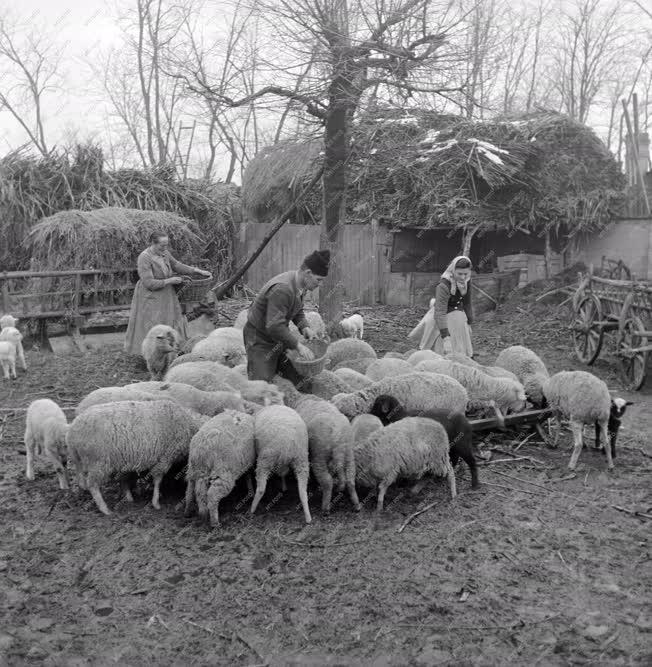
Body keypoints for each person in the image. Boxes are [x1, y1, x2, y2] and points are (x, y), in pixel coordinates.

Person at [243, 249, 330, 389]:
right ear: (308, 273)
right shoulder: (283, 289)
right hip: (260, 339)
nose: (319, 284)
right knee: (261, 387)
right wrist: (298, 346)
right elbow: (274, 326)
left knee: (298, 380)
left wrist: (304, 327)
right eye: (319, 280)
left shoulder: (300, 284)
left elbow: (297, 309)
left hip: (278, 338)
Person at [124, 232, 211, 355]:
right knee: (154, 325)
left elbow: (176, 265)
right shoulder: (144, 257)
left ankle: (170, 351)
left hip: (166, 294)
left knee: (170, 321)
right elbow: (148, 283)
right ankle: (152, 354)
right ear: (153, 243)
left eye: (166, 245)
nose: (165, 248)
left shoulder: (164, 253)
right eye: (162, 245)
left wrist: (197, 271)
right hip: (151, 297)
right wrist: (169, 280)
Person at [432, 255, 474, 356]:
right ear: (453, 270)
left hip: (458, 315)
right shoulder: (443, 285)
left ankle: (463, 356)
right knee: (442, 352)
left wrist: (469, 322)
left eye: (466, 273)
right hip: (443, 317)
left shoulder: (467, 281)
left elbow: (467, 303)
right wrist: (446, 338)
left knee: (463, 348)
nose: (463, 277)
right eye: (459, 273)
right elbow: (440, 312)